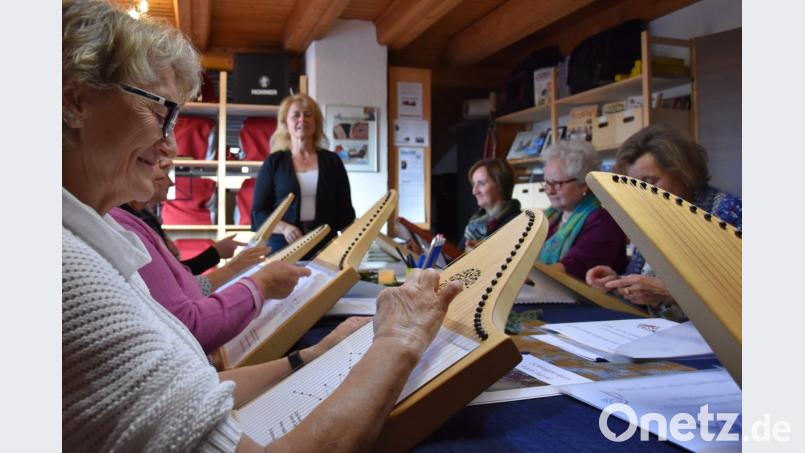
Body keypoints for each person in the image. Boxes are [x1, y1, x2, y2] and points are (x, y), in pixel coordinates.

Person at [62, 1, 463, 451]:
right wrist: (401, 337)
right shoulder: (71, 273)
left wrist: (309, 355)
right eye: (162, 113)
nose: (171, 144)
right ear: (74, 100)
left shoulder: (95, 240)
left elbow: (198, 385)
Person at [111, 158, 299, 353]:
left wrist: (222, 259)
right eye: (163, 169)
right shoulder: (127, 224)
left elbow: (183, 282)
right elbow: (188, 316)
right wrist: (260, 283)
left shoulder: (138, 220)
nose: (171, 182)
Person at [586, 123, 742, 321]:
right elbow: (644, 285)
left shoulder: (728, 212)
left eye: (650, 182)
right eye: (634, 185)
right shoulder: (651, 218)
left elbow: (737, 294)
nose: (640, 193)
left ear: (683, 172)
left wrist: (669, 292)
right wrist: (618, 283)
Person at [252, 93, 356, 259]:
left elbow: (345, 213)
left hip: (325, 249)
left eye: (308, 115)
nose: (302, 119)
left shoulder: (333, 161)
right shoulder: (274, 162)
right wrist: (285, 228)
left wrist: (351, 249)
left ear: (316, 122)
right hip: (282, 249)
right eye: (296, 115)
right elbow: (259, 213)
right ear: (286, 122)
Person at [120, 156, 260, 276]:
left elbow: (177, 276)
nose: (172, 183)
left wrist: (216, 253)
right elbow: (175, 281)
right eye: (163, 176)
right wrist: (228, 262)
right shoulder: (130, 222)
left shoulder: (143, 217)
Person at [537, 140, 628, 280]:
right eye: (547, 182)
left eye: (557, 183)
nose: (549, 190)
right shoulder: (551, 216)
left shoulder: (603, 222)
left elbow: (572, 269)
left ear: (584, 184)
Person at [461, 158, 521, 251]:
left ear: (500, 185)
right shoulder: (475, 222)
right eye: (474, 184)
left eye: (481, 183)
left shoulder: (517, 222)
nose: (474, 191)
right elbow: (456, 256)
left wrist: (483, 252)